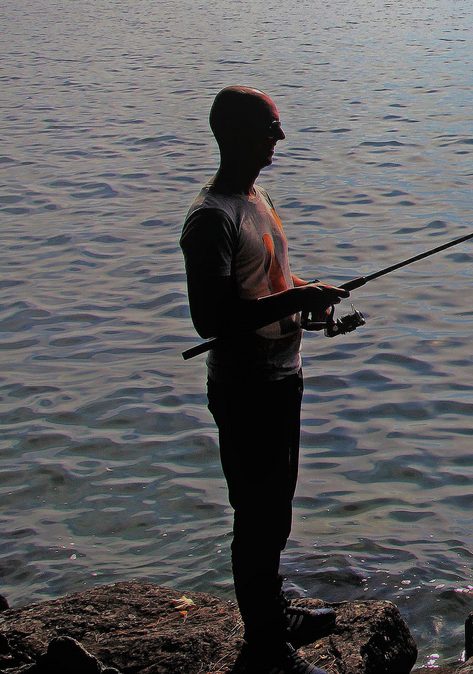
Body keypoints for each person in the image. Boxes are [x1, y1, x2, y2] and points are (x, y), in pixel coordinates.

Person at [180, 86, 348, 674]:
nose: (280, 137)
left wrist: (307, 292)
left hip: (282, 375)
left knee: (275, 510)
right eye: (270, 127)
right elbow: (212, 318)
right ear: (235, 134)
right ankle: (265, 650)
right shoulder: (210, 219)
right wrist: (295, 296)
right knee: (256, 514)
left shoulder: (259, 198)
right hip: (246, 386)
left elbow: (269, 279)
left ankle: (274, 612)